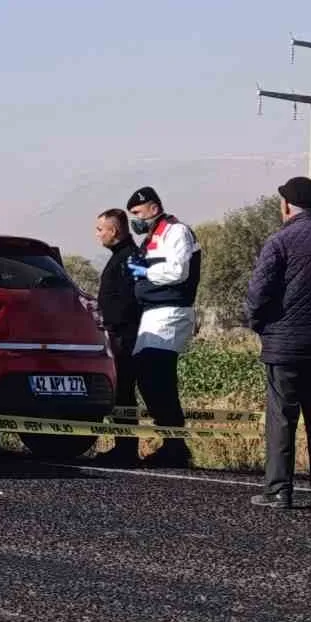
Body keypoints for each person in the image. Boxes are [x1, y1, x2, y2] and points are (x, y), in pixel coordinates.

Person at [243, 176, 311, 509]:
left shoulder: (280, 242)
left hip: (284, 345)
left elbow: (258, 294)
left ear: (286, 206)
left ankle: (278, 490)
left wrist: (260, 325)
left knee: (282, 419)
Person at [125, 186, 200, 464]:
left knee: (159, 377)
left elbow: (178, 271)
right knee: (147, 377)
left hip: (171, 312)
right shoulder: (153, 236)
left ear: (153, 209)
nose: (136, 219)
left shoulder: (176, 232)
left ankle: (176, 446)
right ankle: (170, 441)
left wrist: (146, 272)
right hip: (153, 314)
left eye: (137, 213)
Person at [95, 208, 142, 462]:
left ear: (113, 231)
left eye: (100, 229)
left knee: (124, 391)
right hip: (120, 333)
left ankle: (126, 448)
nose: (97, 235)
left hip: (124, 335)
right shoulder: (121, 256)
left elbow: (128, 300)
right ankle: (124, 445)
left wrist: (112, 326)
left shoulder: (128, 258)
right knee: (122, 391)